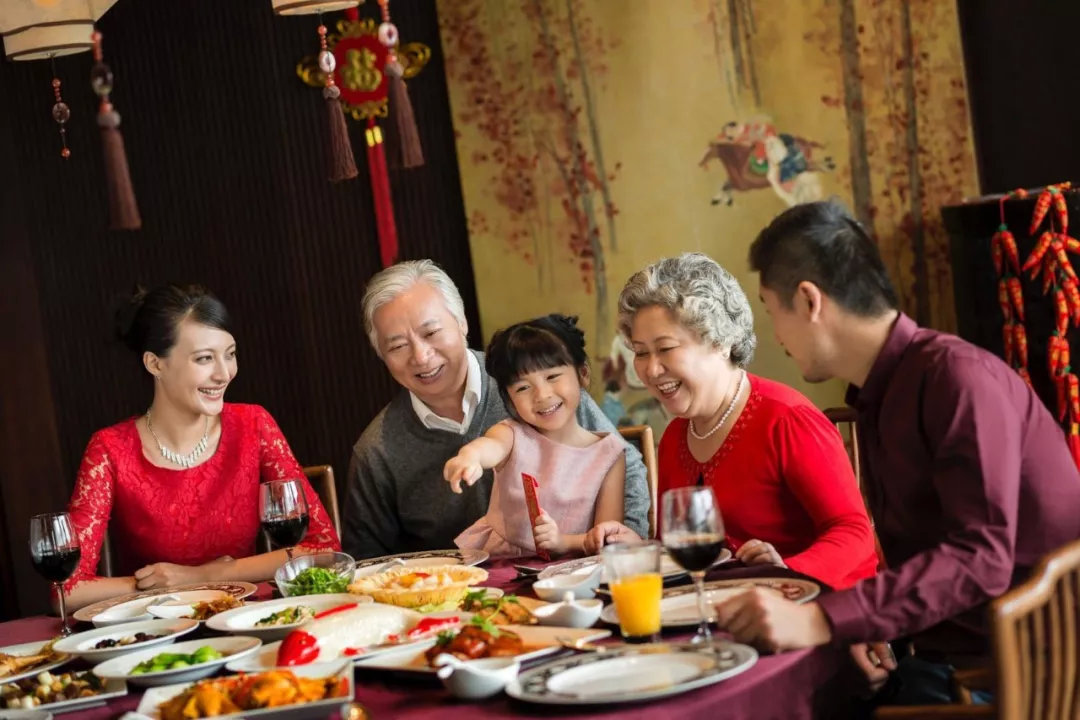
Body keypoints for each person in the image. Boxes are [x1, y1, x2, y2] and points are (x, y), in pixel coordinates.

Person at [713, 199, 1080, 705]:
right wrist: (870, 624)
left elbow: (979, 559)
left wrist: (822, 619)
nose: (775, 333)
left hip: (1023, 677)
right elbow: (928, 552)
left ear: (809, 301)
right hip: (948, 652)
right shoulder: (885, 392)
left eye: (771, 310)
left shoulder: (955, 378)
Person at [586, 253, 878, 591]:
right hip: (723, 612)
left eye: (665, 348)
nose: (650, 370)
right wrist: (642, 548)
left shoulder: (786, 419)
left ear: (721, 342)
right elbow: (687, 551)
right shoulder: (677, 434)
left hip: (813, 612)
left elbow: (854, 533)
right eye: (640, 352)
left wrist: (785, 573)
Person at [342, 260, 649, 559]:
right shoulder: (376, 451)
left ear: (462, 323)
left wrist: (617, 551)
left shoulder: (533, 385)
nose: (421, 356)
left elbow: (623, 464)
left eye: (431, 333)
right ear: (381, 356)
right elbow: (367, 560)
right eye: (397, 346)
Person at [63, 284, 341, 611]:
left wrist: (204, 575)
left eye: (231, 354)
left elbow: (324, 548)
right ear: (155, 364)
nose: (224, 373)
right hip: (158, 628)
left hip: (251, 614)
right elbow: (67, 589)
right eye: (204, 358)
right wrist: (161, 583)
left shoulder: (254, 424)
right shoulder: (109, 449)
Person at [446, 314, 627, 557]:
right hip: (502, 564)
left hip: (572, 571)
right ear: (510, 398)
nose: (541, 395)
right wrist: (469, 458)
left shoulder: (609, 454)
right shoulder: (510, 434)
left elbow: (607, 535)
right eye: (523, 387)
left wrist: (563, 542)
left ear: (582, 373)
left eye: (552, 377)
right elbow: (488, 447)